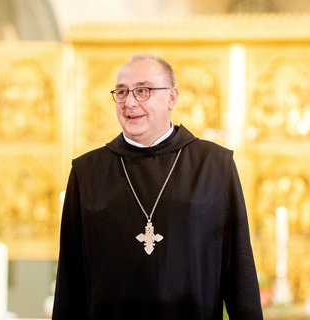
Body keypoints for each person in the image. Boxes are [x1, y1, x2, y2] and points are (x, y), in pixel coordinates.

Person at [52, 54, 263, 319]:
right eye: (121, 92)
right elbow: (70, 281)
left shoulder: (214, 166)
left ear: (171, 98)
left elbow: (239, 270)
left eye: (143, 91)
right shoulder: (87, 172)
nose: (130, 102)